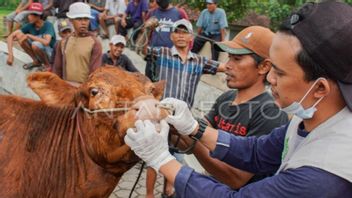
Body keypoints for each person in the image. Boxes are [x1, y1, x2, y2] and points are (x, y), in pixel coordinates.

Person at [125, 1, 352, 197]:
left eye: (280, 73)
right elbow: (255, 152)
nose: (270, 78)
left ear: (320, 87)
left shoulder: (325, 175)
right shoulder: (307, 119)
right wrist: (195, 127)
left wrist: (161, 159)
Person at [173, 26, 288, 189]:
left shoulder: (270, 113)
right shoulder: (226, 98)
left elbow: (236, 178)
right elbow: (201, 129)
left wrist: (192, 141)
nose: (227, 65)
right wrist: (171, 125)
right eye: (229, 58)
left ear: (263, 66)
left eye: (237, 59)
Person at [143, 19, 225, 198]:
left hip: (182, 119)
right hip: (161, 115)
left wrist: (229, 49)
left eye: (184, 32)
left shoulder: (199, 61)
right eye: (177, 32)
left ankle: (168, 190)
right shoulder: (162, 53)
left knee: (173, 155)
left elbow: (225, 67)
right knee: (154, 157)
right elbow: (141, 48)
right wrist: (146, 29)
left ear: (191, 37)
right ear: (171, 36)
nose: (180, 36)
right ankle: (149, 194)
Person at [53, 2, 102, 83]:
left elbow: (94, 73)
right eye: (79, 19)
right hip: (66, 89)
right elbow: (57, 69)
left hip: (84, 91)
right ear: (71, 20)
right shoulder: (64, 42)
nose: (83, 22)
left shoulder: (95, 43)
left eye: (86, 19)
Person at [144, 0, 188, 81]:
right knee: (149, 82)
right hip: (153, 54)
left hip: (171, 56)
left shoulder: (179, 13)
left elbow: (188, 33)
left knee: (167, 84)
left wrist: (185, 52)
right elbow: (146, 32)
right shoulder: (152, 13)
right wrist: (145, 46)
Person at [6, 2, 56, 71]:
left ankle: (48, 65)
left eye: (31, 15)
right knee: (20, 36)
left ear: (38, 16)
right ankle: (36, 61)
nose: (29, 17)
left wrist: (29, 36)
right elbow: (10, 37)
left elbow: (46, 42)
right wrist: (10, 55)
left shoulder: (48, 25)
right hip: (40, 52)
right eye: (29, 14)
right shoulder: (30, 25)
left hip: (51, 54)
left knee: (35, 44)